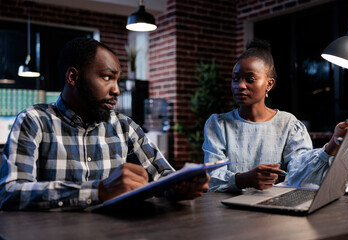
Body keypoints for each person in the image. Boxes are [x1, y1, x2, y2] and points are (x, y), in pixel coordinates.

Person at [0, 37, 210, 210]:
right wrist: (99, 191)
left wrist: (181, 186)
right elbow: (9, 192)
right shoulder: (33, 120)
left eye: (117, 80)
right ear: (73, 77)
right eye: (107, 77)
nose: (116, 90)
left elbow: (164, 175)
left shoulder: (124, 126)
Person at [203, 39, 348, 192]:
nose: (240, 85)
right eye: (235, 79)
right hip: (228, 211)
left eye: (250, 79)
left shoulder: (288, 124)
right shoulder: (218, 124)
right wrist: (244, 179)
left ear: (269, 84)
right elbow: (212, 178)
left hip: (273, 207)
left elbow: (301, 175)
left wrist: (332, 146)